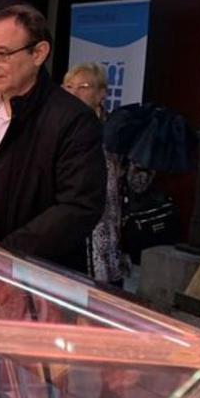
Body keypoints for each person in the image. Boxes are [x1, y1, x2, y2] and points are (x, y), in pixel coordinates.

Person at [0, 4, 105, 272]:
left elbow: (79, 206)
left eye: (2, 55)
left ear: (39, 53)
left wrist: (4, 254)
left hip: (28, 273)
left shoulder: (73, 120)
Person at [64, 63, 125, 284]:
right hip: (69, 229)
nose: (74, 92)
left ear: (101, 94)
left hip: (104, 231)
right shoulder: (61, 127)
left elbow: (137, 183)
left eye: (83, 86)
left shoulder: (114, 131)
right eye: (69, 86)